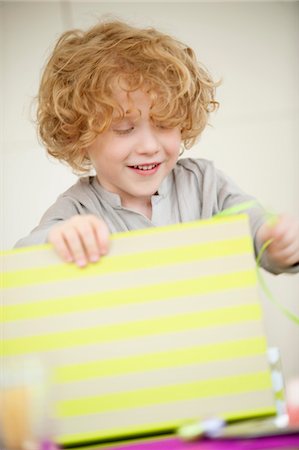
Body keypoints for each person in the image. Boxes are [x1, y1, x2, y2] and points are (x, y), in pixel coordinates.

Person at [15, 19, 299, 275]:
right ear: (79, 136)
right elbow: (23, 260)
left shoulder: (203, 184)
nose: (150, 146)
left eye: (164, 124)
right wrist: (58, 240)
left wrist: (275, 243)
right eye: (125, 129)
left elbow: (255, 229)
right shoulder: (76, 209)